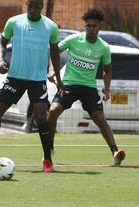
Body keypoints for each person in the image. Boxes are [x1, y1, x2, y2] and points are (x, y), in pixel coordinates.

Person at [0, 0, 64, 172]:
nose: (32, 9)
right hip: (15, 77)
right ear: (26, 4)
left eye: (36, 6)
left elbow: (55, 52)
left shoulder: (50, 27)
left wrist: (58, 78)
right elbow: (2, 43)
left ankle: (47, 159)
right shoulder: (14, 22)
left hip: (37, 80)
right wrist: (0, 60)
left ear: (41, 7)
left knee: (41, 117)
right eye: (29, 5)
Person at [48, 8, 125, 166]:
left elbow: (108, 69)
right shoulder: (74, 39)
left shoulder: (103, 47)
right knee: (53, 111)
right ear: (85, 26)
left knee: (99, 118)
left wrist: (107, 89)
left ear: (99, 27)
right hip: (69, 84)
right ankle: (48, 148)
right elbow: (54, 51)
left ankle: (115, 152)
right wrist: (51, 71)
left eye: (94, 26)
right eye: (88, 26)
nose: (91, 29)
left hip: (89, 87)